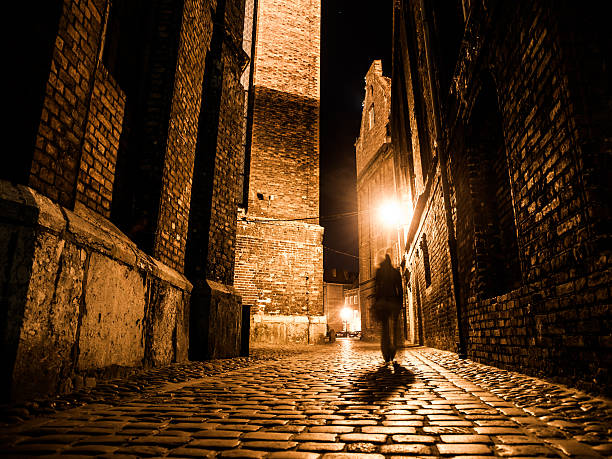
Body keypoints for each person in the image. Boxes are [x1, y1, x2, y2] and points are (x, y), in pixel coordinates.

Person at [373, 254, 403, 366]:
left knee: (385, 328)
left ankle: (386, 353)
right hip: (393, 301)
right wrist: (401, 302)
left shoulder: (379, 272)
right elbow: (399, 288)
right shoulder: (395, 272)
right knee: (394, 328)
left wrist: (376, 302)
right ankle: (393, 349)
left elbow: (376, 288)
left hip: (383, 302)